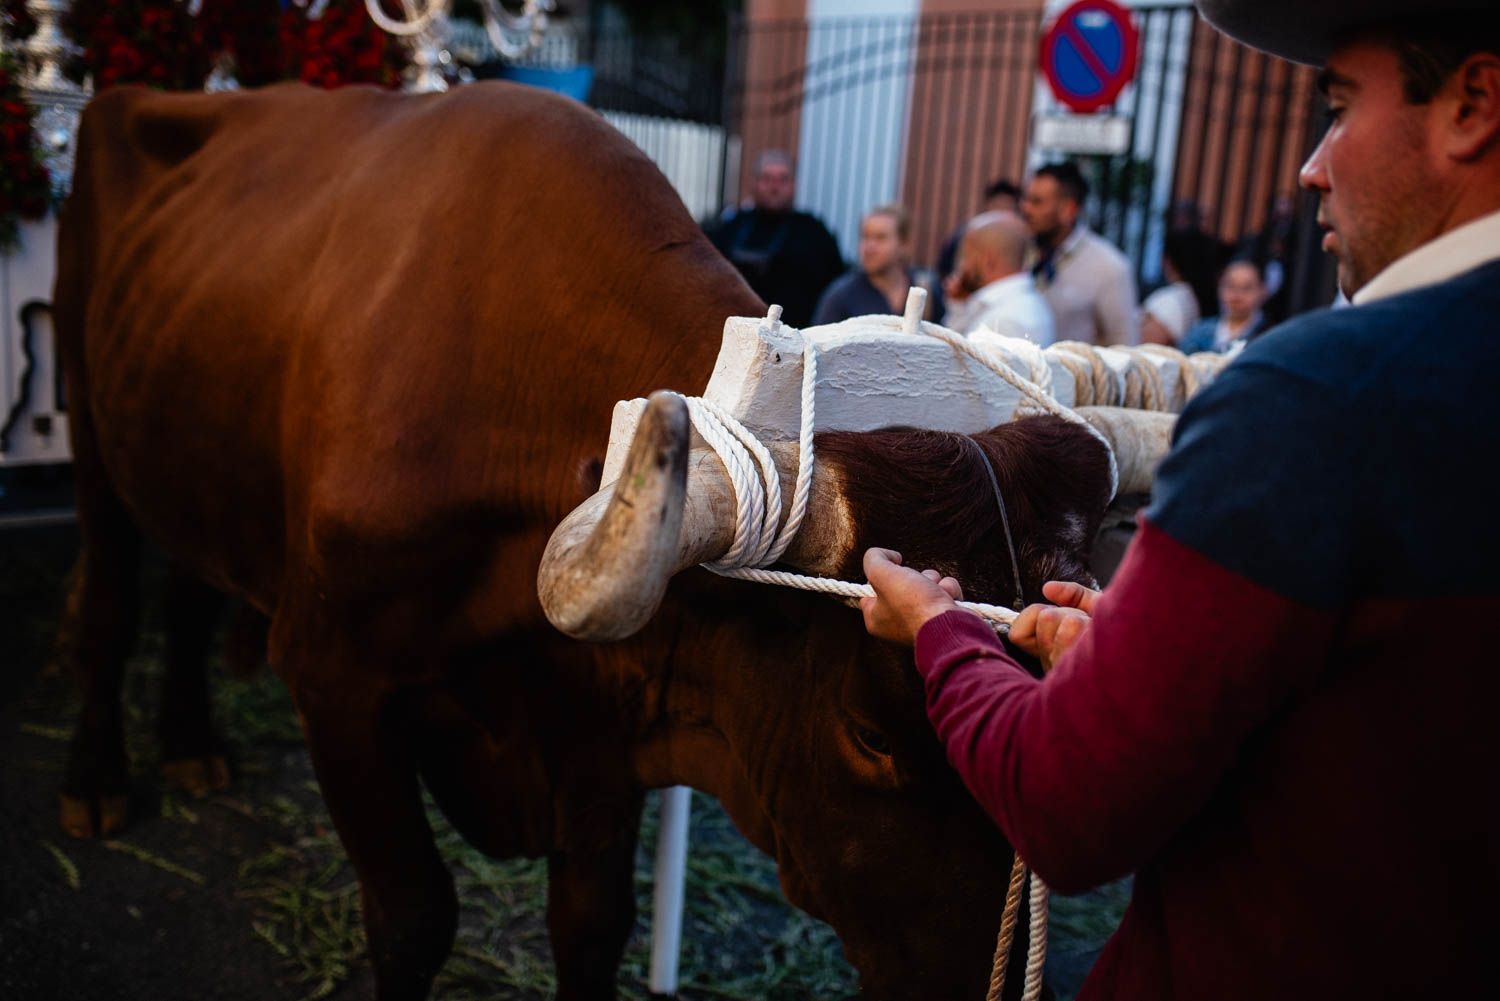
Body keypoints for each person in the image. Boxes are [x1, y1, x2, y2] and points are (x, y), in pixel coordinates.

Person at [860, 1, 1500, 997]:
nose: (1311, 165)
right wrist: (1158, 649)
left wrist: (943, 634)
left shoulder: (1310, 400)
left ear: (1473, 103)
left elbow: (1066, 807)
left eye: (1339, 107)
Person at [707, 150, 845, 327]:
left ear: (794, 184)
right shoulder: (731, 227)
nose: (774, 187)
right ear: (754, 183)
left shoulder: (815, 233)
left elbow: (834, 290)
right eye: (767, 179)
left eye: (783, 179)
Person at [1021, 162, 1139, 345]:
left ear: (1068, 209)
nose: (1026, 209)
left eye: (1037, 202)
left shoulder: (1109, 267)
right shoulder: (1020, 250)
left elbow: (1124, 347)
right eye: (1026, 199)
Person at [811, 204, 943, 325]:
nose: (869, 247)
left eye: (880, 238)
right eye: (865, 237)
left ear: (904, 244)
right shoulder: (840, 297)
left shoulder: (926, 289)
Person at [941, 211, 1055, 344]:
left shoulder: (1003, 321)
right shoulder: (1022, 303)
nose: (961, 267)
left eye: (965, 256)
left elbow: (952, 361)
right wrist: (959, 307)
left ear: (987, 261)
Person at [936, 177, 1022, 281]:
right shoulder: (968, 234)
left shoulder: (1020, 242)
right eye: (997, 206)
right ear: (988, 205)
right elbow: (945, 270)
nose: (1000, 214)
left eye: (1006, 208)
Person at [1178, 258, 1270, 352]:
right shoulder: (1200, 331)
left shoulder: (1268, 336)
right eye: (1230, 286)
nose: (1237, 295)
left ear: (1263, 291)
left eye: (1247, 288)